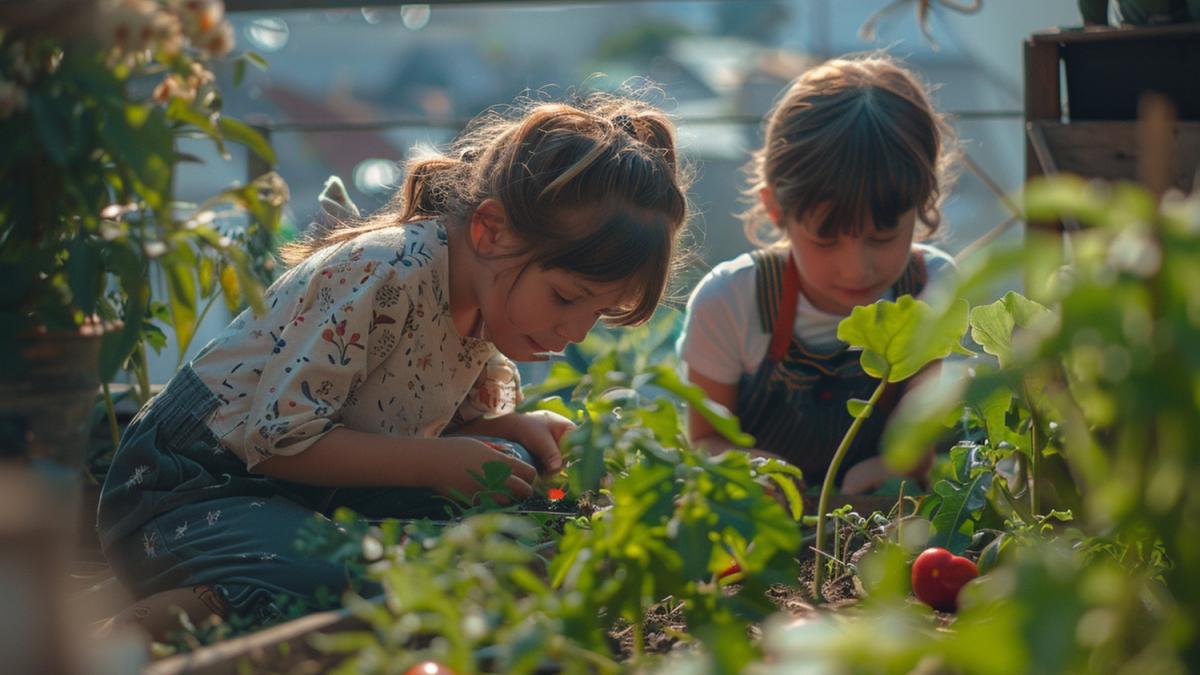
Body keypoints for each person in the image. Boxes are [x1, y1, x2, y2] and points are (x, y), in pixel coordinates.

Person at [96, 93, 690, 628]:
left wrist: (508, 429)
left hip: (302, 494)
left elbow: (407, 424)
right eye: (566, 297)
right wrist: (434, 462)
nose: (576, 330)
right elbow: (279, 440)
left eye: (599, 312)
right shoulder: (385, 273)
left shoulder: (485, 305)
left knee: (509, 480)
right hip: (189, 492)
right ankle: (128, 630)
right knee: (332, 575)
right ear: (489, 231)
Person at [677, 54, 956, 496]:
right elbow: (706, 440)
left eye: (882, 237)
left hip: (882, 522)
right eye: (826, 241)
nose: (856, 267)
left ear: (921, 203)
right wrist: (753, 470)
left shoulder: (931, 287)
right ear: (776, 211)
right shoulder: (729, 302)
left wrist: (896, 465)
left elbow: (920, 424)